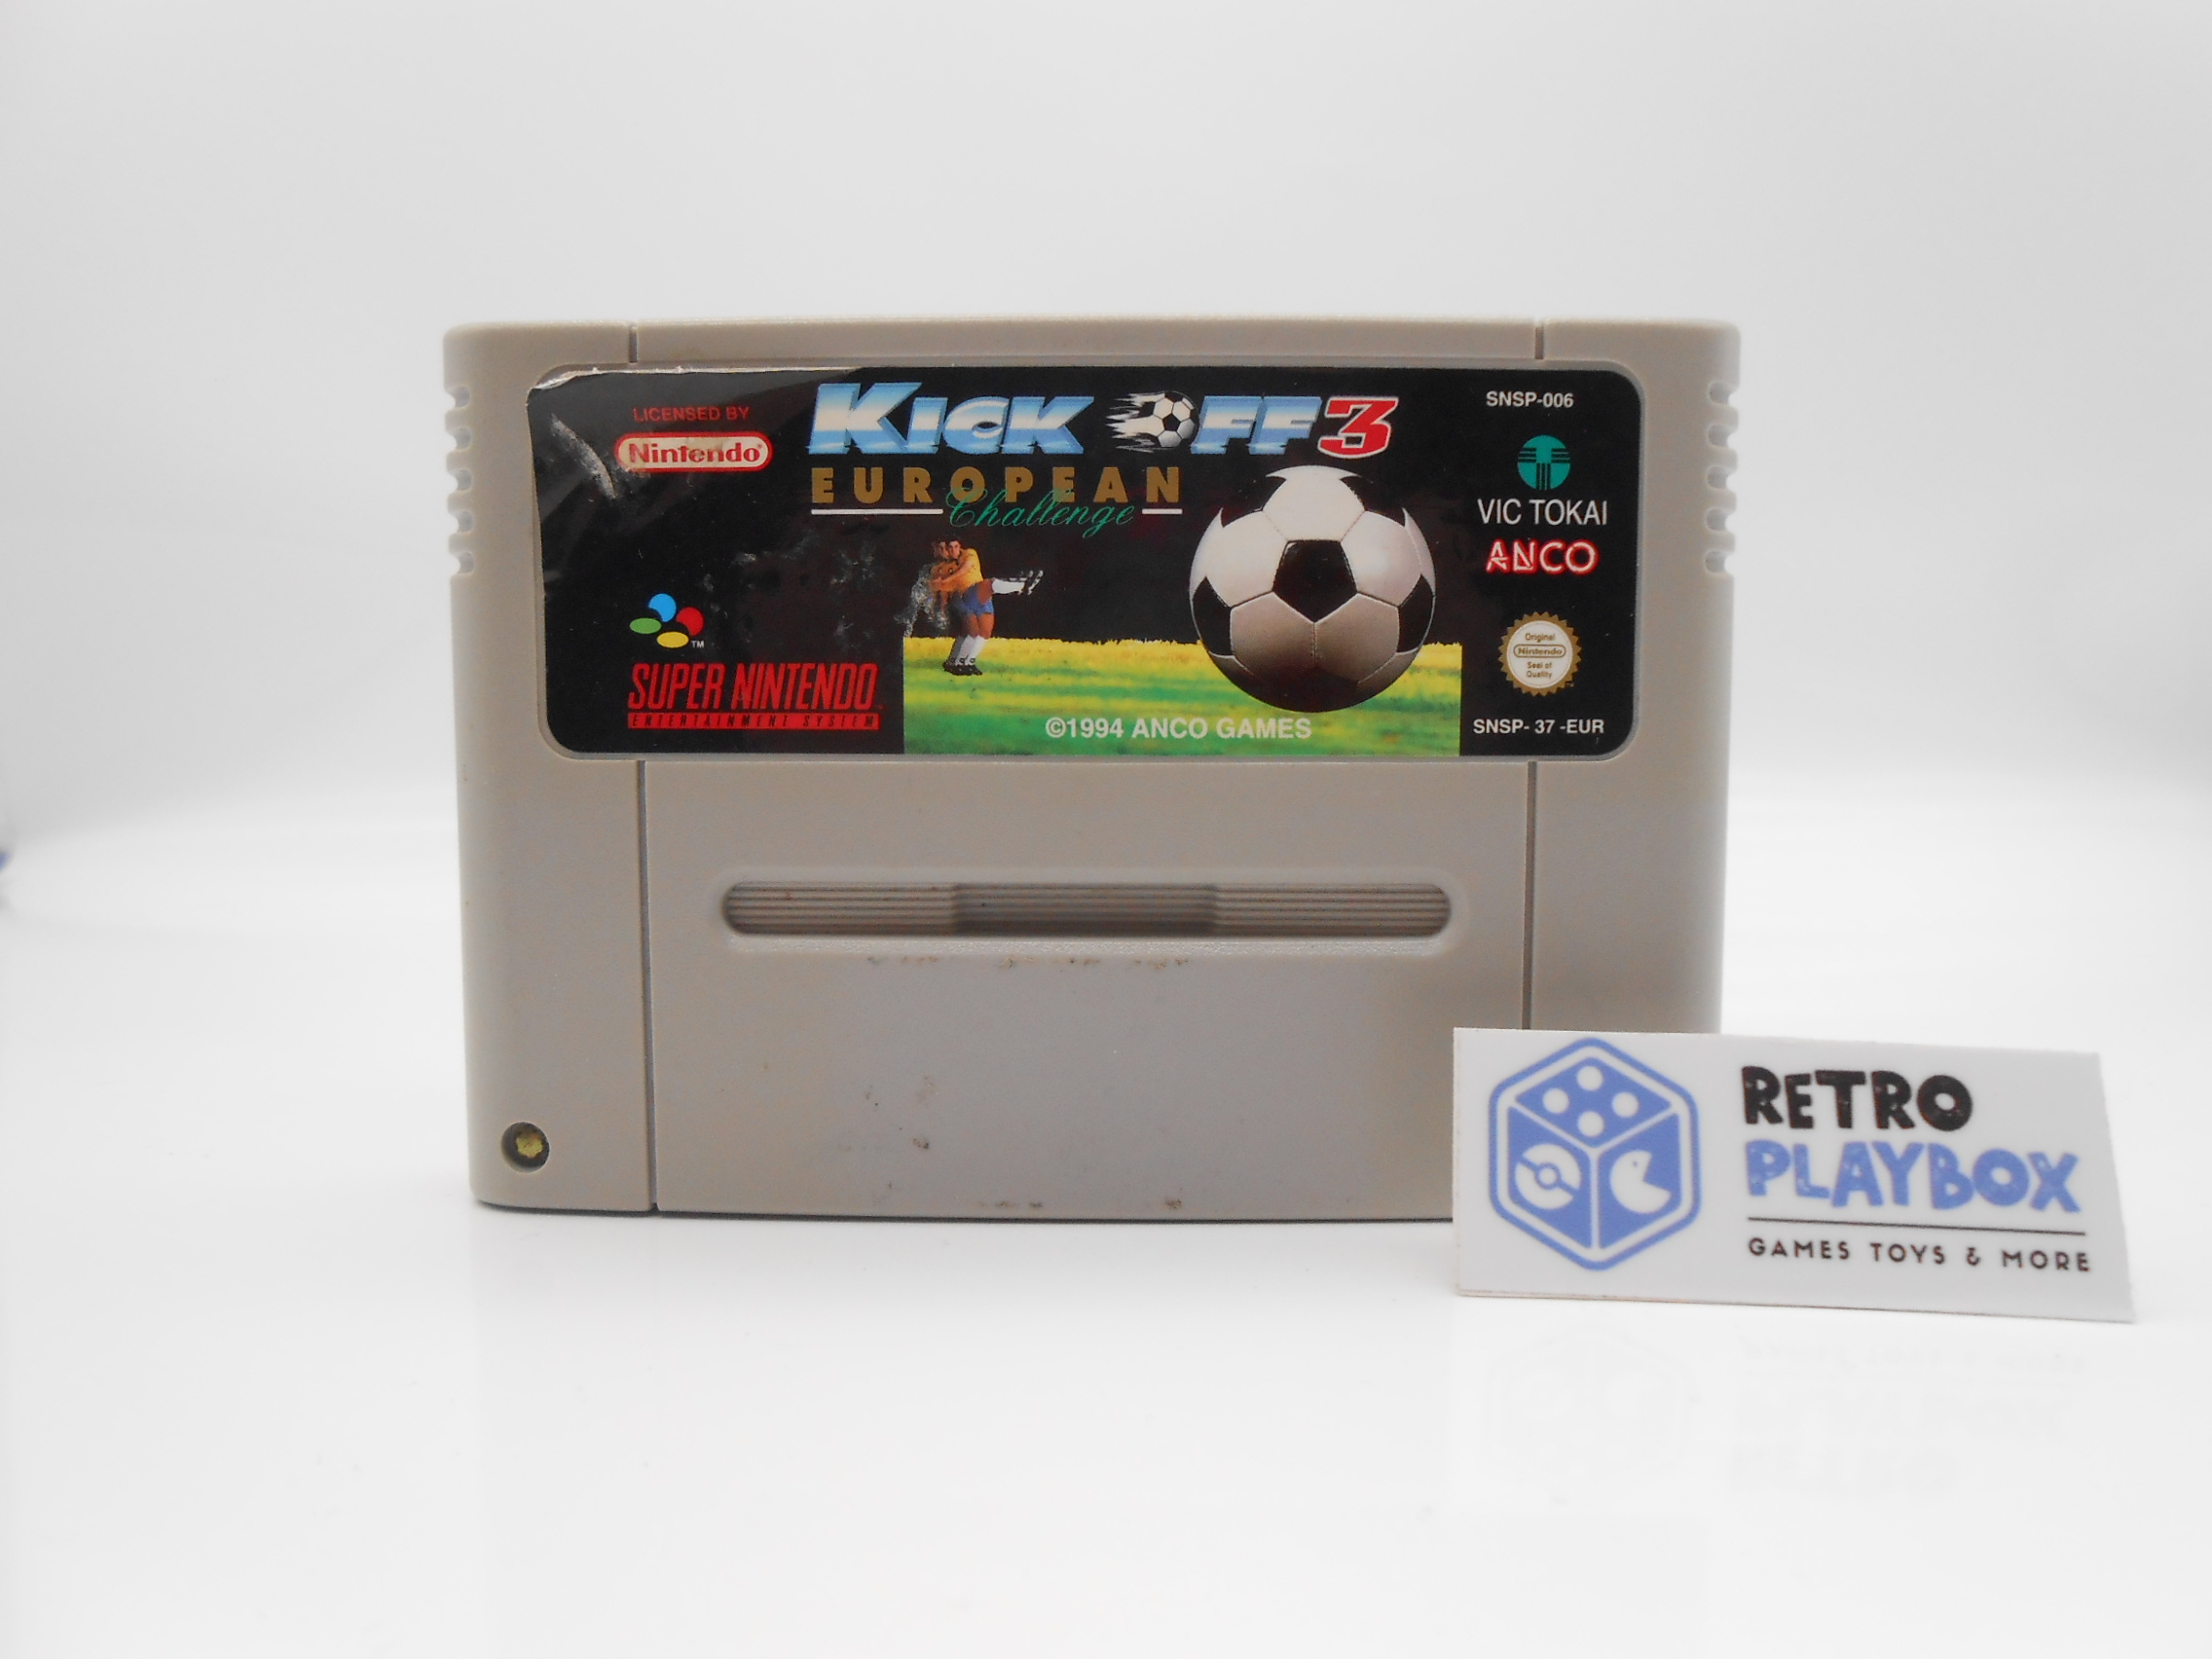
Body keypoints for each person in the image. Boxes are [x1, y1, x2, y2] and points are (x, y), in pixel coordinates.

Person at [926, 539, 1040, 676]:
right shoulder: (939, 569)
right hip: (965, 595)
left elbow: (966, 568)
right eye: (945, 548)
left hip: (981, 596)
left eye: (953, 547)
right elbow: (939, 591)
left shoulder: (969, 554)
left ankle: (966, 662)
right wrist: (941, 606)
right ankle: (1022, 586)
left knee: (983, 632)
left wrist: (946, 580)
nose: (949, 551)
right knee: (989, 585)